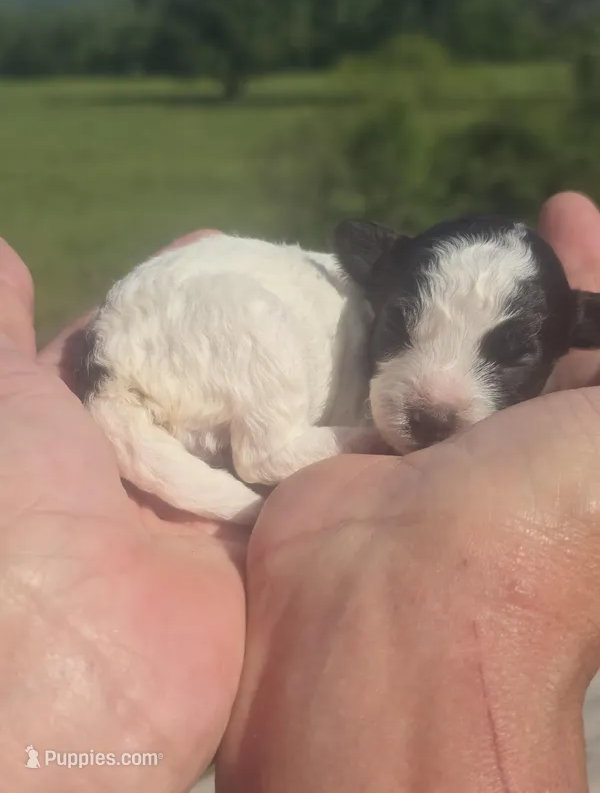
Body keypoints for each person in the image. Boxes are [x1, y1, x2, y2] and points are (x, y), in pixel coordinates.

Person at [2, 191, 600, 792]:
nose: (434, 402)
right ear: (376, 285)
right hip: (174, 342)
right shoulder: (291, 310)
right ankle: (274, 447)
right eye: (403, 327)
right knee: (255, 343)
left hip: (178, 377)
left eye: (511, 356)